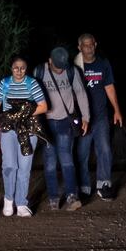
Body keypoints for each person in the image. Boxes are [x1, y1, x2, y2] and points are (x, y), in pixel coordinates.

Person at [0, 55, 48, 217]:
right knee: (9, 166)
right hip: (8, 130)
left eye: (22, 68)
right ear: (11, 68)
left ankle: (21, 203)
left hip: (28, 130)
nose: (19, 71)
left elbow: (43, 106)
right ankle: (8, 200)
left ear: (26, 69)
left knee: (24, 167)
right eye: (16, 67)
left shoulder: (32, 83)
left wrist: (22, 114)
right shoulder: (5, 83)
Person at [35, 46, 90, 211]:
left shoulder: (71, 70)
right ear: (50, 61)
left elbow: (80, 93)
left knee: (67, 160)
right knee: (50, 161)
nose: (60, 71)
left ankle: (72, 196)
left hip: (66, 121)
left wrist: (86, 117)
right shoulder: (39, 72)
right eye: (57, 67)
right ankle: (53, 197)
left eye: (62, 67)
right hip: (47, 123)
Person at [75, 33, 123, 200]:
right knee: (82, 153)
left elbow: (109, 87)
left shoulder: (103, 63)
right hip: (83, 119)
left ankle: (104, 184)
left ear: (95, 45)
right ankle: (84, 187)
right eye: (85, 45)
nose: (88, 48)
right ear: (79, 47)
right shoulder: (76, 66)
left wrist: (117, 110)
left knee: (105, 150)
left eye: (91, 44)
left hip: (101, 116)